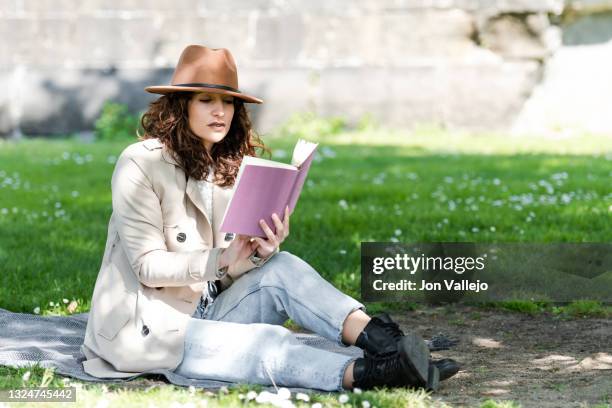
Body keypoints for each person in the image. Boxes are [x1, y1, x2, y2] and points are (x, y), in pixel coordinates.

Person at [80, 44, 458, 392]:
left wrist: (258, 253)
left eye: (228, 102)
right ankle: (371, 374)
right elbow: (148, 267)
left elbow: (223, 277)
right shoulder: (141, 163)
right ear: (180, 106)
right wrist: (220, 260)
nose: (219, 111)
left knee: (283, 266)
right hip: (151, 329)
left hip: (207, 313)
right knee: (264, 344)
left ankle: (389, 347)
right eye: (206, 100)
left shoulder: (227, 168)